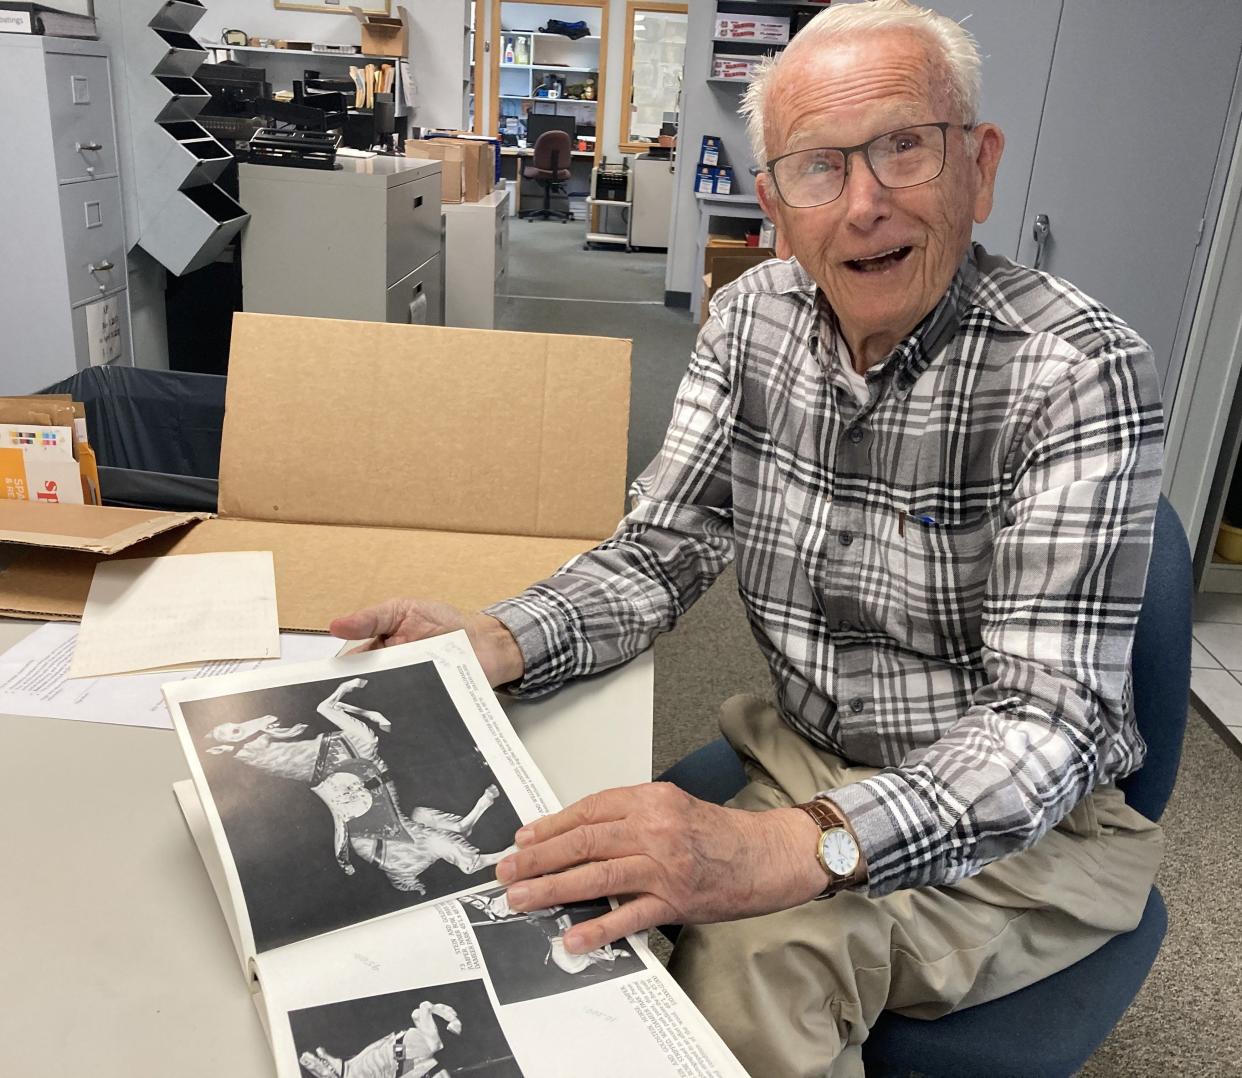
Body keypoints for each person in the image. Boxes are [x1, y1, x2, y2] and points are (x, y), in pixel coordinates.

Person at [330, 2, 1166, 1073]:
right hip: (798, 744)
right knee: (547, 881)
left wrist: (793, 843)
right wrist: (495, 639)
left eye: (904, 146)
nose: (865, 203)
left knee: (746, 971)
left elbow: (1051, 725)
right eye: (819, 167)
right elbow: (661, 548)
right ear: (773, 204)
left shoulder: (1079, 371)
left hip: (1023, 829)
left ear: (979, 166)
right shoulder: (750, 320)